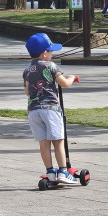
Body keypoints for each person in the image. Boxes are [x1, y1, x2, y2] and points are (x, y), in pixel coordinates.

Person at [23, 33, 79, 185]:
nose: (52, 54)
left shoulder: (27, 70)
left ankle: (50, 172)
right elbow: (64, 84)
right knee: (58, 141)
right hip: (50, 109)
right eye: (51, 51)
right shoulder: (51, 66)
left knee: (44, 142)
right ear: (44, 53)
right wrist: (72, 78)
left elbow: (27, 91)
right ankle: (63, 171)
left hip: (34, 111)